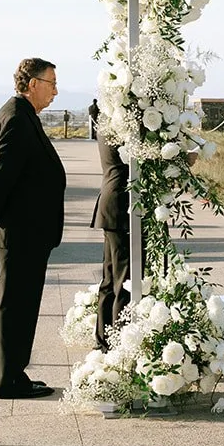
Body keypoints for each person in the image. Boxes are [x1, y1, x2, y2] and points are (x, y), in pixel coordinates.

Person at [0, 57, 67, 399]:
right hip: (22, 231)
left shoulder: (22, 114)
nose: (56, 91)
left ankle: (12, 373)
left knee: (19, 305)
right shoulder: (17, 118)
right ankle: (8, 381)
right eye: (51, 83)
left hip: (28, 229)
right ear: (32, 83)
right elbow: (1, 176)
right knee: (16, 305)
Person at [92, 127, 131, 347]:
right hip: (121, 206)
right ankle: (119, 339)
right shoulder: (122, 124)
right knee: (124, 276)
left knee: (109, 275)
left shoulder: (107, 122)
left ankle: (103, 337)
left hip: (111, 204)